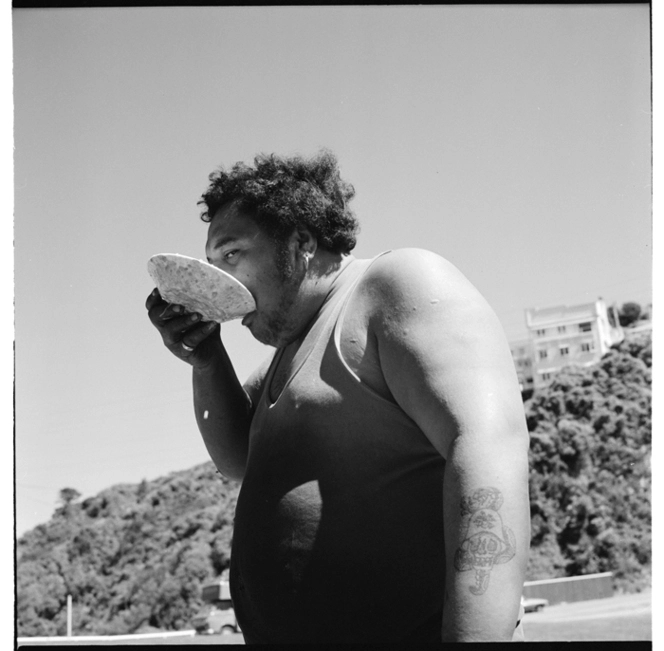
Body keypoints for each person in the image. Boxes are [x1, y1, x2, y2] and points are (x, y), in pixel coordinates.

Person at [146, 150, 530, 643]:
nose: (220, 281)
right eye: (211, 263)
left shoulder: (396, 286)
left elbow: (485, 447)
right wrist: (206, 359)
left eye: (232, 254)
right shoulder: (287, 353)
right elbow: (237, 460)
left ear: (301, 240)